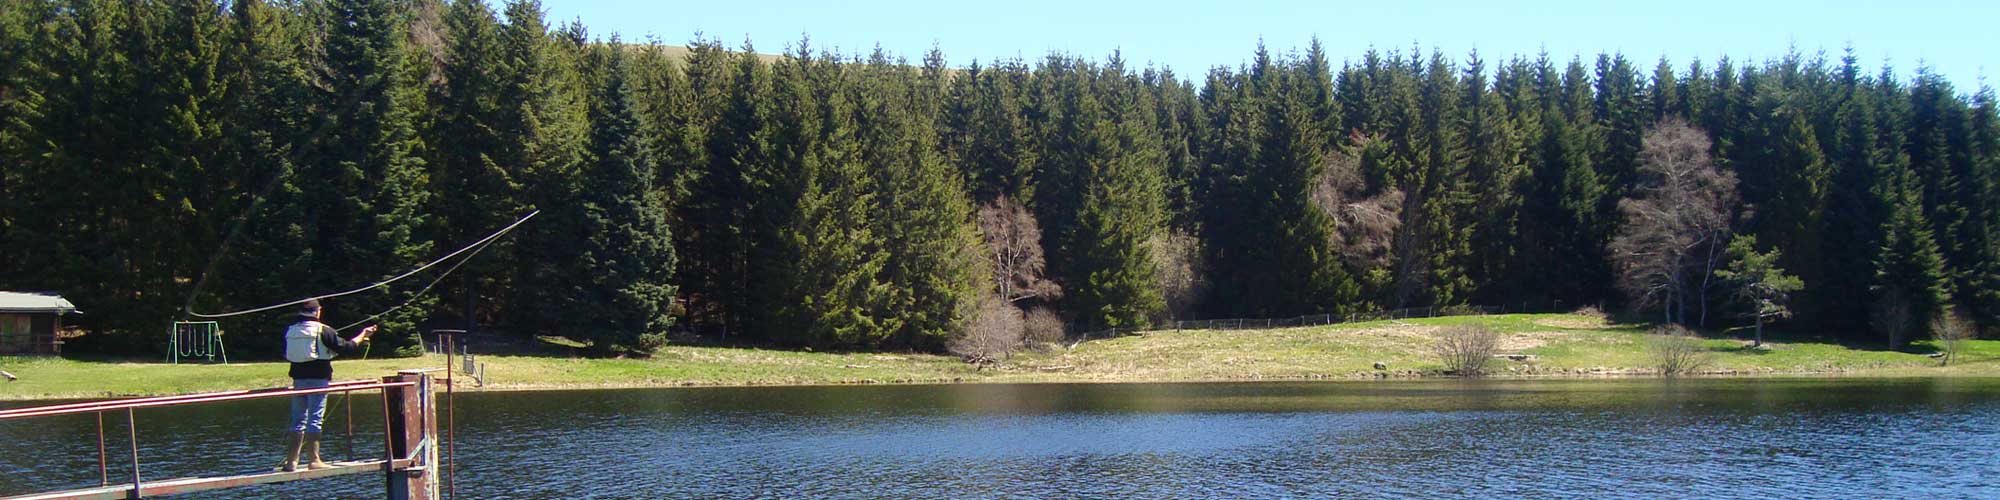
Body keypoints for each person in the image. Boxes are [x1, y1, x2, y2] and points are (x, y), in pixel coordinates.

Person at [277, 299, 375, 472]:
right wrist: (363, 335)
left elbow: (285, 352)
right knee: (315, 419)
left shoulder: (290, 330)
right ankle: (314, 460)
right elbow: (347, 347)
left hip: (298, 380)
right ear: (317, 311)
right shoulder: (324, 330)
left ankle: (291, 462)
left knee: (298, 420)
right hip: (319, 380)